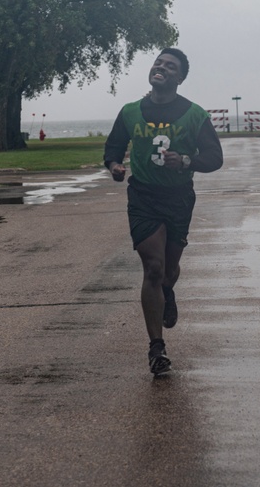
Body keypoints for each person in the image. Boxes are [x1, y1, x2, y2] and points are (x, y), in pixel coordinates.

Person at [104, 48, 224, 376]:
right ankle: (156, 348)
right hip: (143, 197)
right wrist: (115, 165)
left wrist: (186, 160)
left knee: (169, 271)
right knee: (153, 268)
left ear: (180, 78)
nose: (162, 67)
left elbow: (215, 157)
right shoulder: (130, 112)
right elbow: (113, 149)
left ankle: (168, 292)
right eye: (159, 62)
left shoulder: (194, 115)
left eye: (170, 66)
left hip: (179, 198)